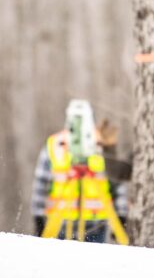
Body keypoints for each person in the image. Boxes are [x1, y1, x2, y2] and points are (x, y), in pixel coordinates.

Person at [31, 100, 129, 243]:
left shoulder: (103, 143)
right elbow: (41, 183)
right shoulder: (55, 144)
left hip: (96, 225)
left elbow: (116, 181)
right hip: (60, 224)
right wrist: (38, 217)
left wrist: (121, 216)